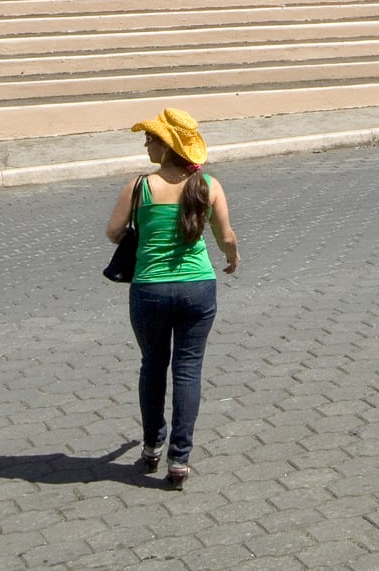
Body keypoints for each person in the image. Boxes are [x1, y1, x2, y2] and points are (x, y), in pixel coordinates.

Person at [104, 108, 241, 483]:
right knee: (187, 369)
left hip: (149, 289)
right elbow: (225, 236)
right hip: (198, 288)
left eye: (150, 138)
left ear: (167, 146)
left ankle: (151, 448)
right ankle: (179, 460)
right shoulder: (208, 185)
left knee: (152, 365)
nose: (146, 143)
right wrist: (232, 258)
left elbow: (113, 232)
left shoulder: (139, 186)